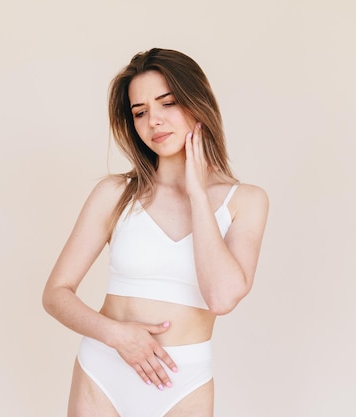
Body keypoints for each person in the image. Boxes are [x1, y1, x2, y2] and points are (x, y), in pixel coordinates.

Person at [43, 48, 269, 417]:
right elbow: (55, 294)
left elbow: (222, 298)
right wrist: (117, 336)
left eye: (168, 103)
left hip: (185, 382)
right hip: (104, 371)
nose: (154, 122)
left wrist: (196, 191)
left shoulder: (245, 201)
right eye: (141, 112)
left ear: (197, 104)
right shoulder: (115, 195)